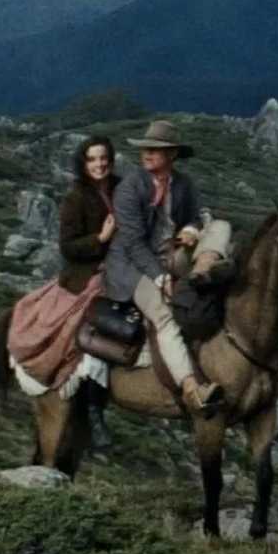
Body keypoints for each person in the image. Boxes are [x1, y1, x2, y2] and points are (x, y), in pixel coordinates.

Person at [103, 120, 226, 415]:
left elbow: (197, 217)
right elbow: (132, 244)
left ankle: (202, 270)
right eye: (146, 149)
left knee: (221, 226)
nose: (147, 154)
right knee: (163, 315)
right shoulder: (130, 188)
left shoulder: (183, 184)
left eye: (155, 150)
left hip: (172, 253)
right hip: (133, 265)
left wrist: (191, 231)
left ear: (172, 155)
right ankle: (191, 388)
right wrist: (159, 277)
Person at [5, 135, 120, 436]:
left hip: (123, 265)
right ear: (84, 164)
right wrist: (101, 240)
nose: (99, 164)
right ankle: (94, 409)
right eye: (92, 159)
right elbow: (68, 247)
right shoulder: (76, 197)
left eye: (103, 157)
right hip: (88, 273)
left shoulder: (120, 187)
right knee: (92, 327)